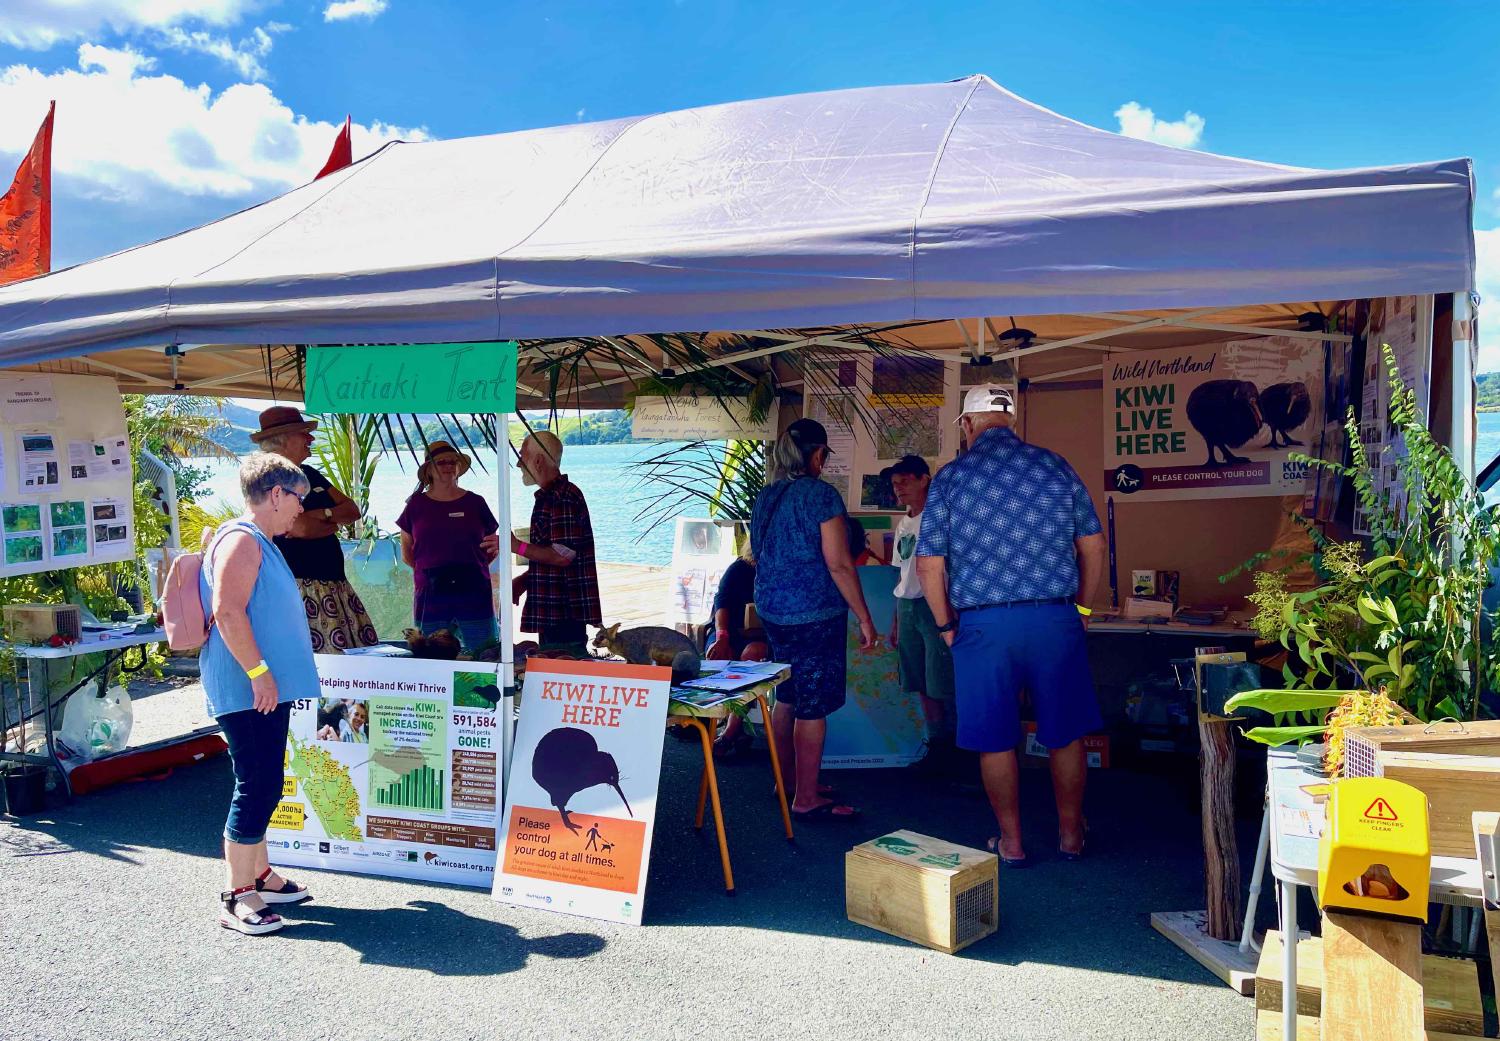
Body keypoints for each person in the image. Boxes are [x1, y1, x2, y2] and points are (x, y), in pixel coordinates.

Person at [916, 385, 1107, 865]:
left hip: (983, 626)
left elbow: (929, 565)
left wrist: (944, 626)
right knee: (1065, 733)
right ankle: (1071, 836)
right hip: (1054, 616)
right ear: (1011, 420)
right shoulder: (1055, 465)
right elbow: (1094, 546)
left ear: (967, 425)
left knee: (995, 738)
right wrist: (1081, 610)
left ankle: (1013, 843)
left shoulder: (953, 477)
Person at [199, 452, 319, 935]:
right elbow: (228, 612)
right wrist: (259, 671)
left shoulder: (259, 540)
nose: (300, 509)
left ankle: (261, 873)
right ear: (275, 494)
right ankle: (237, 892)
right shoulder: (242, 541)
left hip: (261, 686)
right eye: (298, 498)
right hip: (248, 688)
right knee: (257, 783)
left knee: (265, 778)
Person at [750, 418, 879, 821]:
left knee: (786, 696)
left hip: (772, 611)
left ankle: (784, 781)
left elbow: (757, 553)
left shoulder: (766, 497)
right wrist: (864, 616)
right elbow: (840, 564)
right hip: (814, 614)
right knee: (812, 705)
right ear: (817, 454)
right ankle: (806, 796)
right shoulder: (821, 496)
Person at [251, 406, 378, 653]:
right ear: (284, 440)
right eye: (303, 434)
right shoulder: (269, 479)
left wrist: (322, 515)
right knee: (323, 664)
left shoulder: (309, 474)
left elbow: (352, 510)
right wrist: (331, 522)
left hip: (334, 583)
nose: (310, 439)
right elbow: (300, 528)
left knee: (353, 663)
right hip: (302, 587)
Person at [887, 455, 957, 773]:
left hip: (935, 606)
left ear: (924, 479)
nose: (898, 488)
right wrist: (896, 620)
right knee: (919, 681)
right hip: (908, 606)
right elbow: (901, 576)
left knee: (941, 681)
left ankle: (958, 752)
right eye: (894, 483)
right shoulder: (903, 524)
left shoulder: (939, 517)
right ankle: (936, 747)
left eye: (904, 481)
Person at [396, 441, 501, 653]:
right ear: (429, 470)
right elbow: (407, 551)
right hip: (431, 595)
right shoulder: (416, 505)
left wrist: (470, 566)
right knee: (430, 656)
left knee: (484, 653)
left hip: (474, 592)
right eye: (441, 462)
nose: (448, 466)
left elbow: (492, 546)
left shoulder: (476, 502)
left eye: (453, 461)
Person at [510, 430, 602, 656]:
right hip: (554, 609)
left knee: (562, 668)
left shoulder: (562, 497)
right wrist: (526, 579)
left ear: (538, 461)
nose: (519, 463)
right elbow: (556, 554)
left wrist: (516, 546)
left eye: (522, 455)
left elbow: (562, 556)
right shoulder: (551, 496)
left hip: (563, 612)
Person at [705, 539, 769, 758]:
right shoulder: (739, 568)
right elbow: (721, 603)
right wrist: (722, 637)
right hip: (729, 631)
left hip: (762, 636)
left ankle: (731, 731)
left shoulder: (781, 570)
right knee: (716, 654)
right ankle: (725, 724)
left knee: (750, 657)